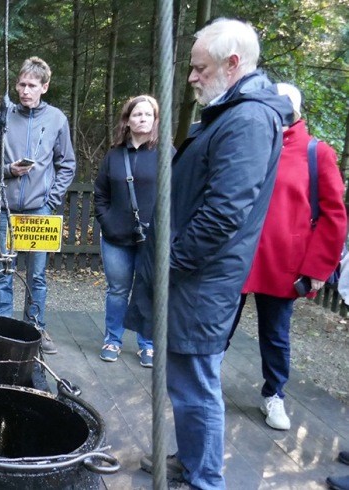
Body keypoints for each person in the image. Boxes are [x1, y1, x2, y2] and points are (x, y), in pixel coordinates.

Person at [126, 19, 293, 489]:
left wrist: (170, 265)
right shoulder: (231, 114)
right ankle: (191, 460)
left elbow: (223, 215)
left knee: (196, 384)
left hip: (200, 283)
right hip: (194, 279)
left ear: (232, 64)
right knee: (184, 382)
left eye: (199, 68)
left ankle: (207, 480)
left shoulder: (249, 120)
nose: (192, 77)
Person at [229, 83, 346, 431]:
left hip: (283, 264)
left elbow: (334, 215)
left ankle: (274, 393)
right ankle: (200, 385)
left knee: (275, 334)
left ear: (294, 111)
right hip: (238, 258)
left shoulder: (317, 152)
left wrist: (315, 269)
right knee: (217, 327)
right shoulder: (249, 142)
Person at [0, 57, 76, 354]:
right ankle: (1, 328)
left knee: (36, 275)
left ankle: (35, 328)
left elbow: (67, 165)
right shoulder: (4, 117)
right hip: (7, 207)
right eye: (21, 84)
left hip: (39, 210)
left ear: (44, 87)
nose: (25, 90)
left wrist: (52, 199)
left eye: (32, 85)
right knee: (5, 269)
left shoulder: (57, 119)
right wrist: (7, 170)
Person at [93, 95, 164, 368]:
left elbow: (176, 194)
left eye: (147, 115)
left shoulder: (164, 153)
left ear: (155, 120)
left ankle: (148, 344)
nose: (142, 119)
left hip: (152, 238)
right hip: (116, 238)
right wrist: (107, 221)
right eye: (137, 114)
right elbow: (100, 193)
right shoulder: (114, 154)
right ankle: (113, 339)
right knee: (118, 290)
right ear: (128, 119)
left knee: (148, 290)